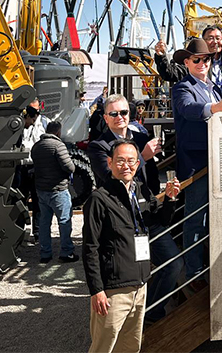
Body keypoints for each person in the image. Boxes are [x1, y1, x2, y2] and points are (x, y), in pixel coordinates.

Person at [87, 94, 181, 323]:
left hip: (146, 211)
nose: (120, 117)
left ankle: (150, 311)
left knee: (174, 264)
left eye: (124, 113)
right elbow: (111, 178)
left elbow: (149, 174)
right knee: (128, 275)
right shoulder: (99, 146)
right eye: (114, 114)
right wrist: (143, 155)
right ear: (105, 118)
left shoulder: (140, 135)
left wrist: (165, 196)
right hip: (120, 219)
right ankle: (128, 315)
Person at [82, 139, 180, 352]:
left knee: (130, 346)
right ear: (109, 163)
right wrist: (96, 290)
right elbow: (90, 248)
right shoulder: (99, 199)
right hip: (114, 290)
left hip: (140, 285)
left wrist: (170, 199)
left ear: (137, 164)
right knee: (103, 347)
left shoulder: (140, 190)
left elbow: (160, 220)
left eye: (131, 161)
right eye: (120, 161)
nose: (126, 166)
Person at [172, 38, 222, 284]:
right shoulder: (182, 87)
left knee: (219, 215)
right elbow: (189, 110)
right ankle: (193, 272)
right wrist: (217, 107)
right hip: (197, 163)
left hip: (219, 158)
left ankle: (212, 266)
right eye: (197, 60)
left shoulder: (215, 87)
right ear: (187, 63)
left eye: (206, 59)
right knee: (196, 218)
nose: (202, 63)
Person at [30, 121, 77, 264]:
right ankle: (66, 252)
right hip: (58, 190)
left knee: (44, 222)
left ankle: (45, 254)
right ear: (58, 132)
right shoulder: (58, 145)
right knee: (64, 221)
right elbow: (69, 167)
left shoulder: (36, 146)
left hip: (41, 190)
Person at [19, 105, 44, 242]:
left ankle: (37, 231)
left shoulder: (39, 126)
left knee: (37, 201)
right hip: (22, 167)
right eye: (32, 119)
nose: (33, 122)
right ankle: (19, 228)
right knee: (20, 199)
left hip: (34, 166)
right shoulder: (18, 128)